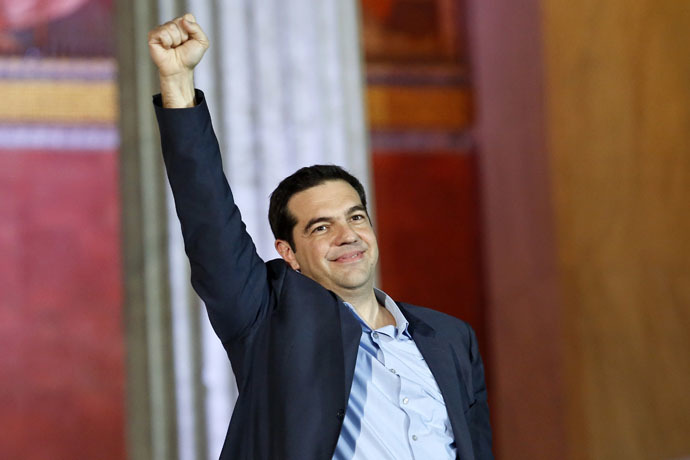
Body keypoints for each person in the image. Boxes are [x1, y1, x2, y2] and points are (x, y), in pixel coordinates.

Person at [148, 13, 493, 460]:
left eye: (356, 217)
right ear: (288, 253)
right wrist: (178, 86)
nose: (347, 236)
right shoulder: (267, 319)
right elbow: (208, 222)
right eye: (322, 227)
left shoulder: (450, 338)